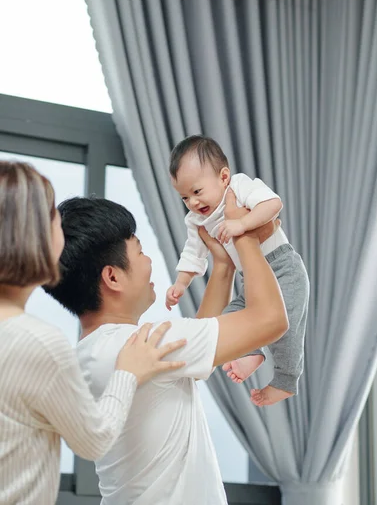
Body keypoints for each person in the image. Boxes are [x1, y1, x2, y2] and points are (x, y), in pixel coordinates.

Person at [44, 190, 287, 505]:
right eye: (140, 251)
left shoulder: (94, 352)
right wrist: (244, 234)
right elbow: (270, 320)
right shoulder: (139, 344)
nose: (148, 261)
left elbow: (200, 350)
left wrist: (223, 267)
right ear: (112, 277)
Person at [0, 161, 187, 505]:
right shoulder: (38, 342)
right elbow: (94, 440)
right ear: (33, 234)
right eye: (52, 215)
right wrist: (127, 373)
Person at [167, 135, 309, 406]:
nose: (193, 203)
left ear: (223, 177)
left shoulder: (239, 186)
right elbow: (193, 253)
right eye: (184, 197)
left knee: (287, 328)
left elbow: (272, 205)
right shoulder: (196, 218)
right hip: (248, 278)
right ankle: (252, 351)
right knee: (229, 319)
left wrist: (242, 226)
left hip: (282, 266)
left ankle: (286, 379)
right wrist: (181, 283)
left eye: (197, 192)